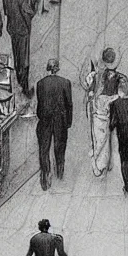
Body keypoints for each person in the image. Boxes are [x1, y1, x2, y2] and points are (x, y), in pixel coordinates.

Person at [36, 59, 72, 190]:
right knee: (60, 146)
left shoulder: (40, 83)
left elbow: (39, 105)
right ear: (57, 69)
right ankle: (60, 171)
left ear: (48, 68)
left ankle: (46, 173)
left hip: (45, 119)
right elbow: (69, 104)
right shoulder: (65, 83)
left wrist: (42, 116)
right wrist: (68, 122)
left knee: (44, 148)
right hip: (60, 119)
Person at [2, 0, 34, 94]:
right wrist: (29, 27)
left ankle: (21, 83)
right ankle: (24, 86)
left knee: (17, 57)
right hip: (23, 30)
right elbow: (28, 13)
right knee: (24, 59)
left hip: (12, 30)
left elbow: (7, 14)